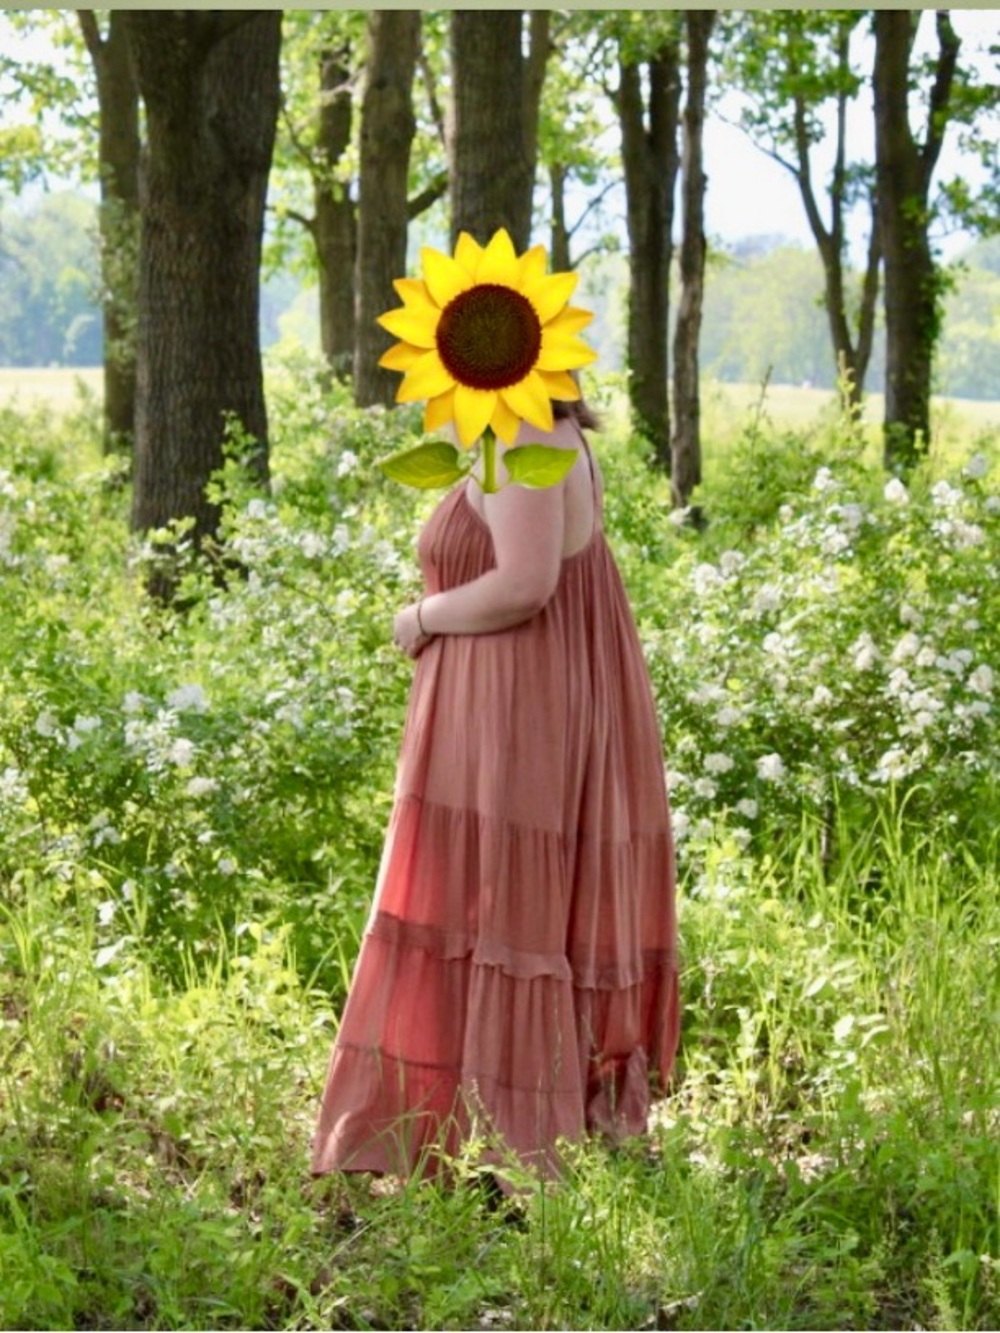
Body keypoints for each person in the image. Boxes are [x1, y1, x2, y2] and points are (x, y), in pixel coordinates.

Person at [311, 398, 679, 1185]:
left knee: (501, 904)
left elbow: (524, 583)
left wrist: (421, 615)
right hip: (509, 706)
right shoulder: (518, 430)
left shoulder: (524, 433)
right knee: (489, 902)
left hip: (516, 714)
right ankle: (465, 1118)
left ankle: (503, 1133)